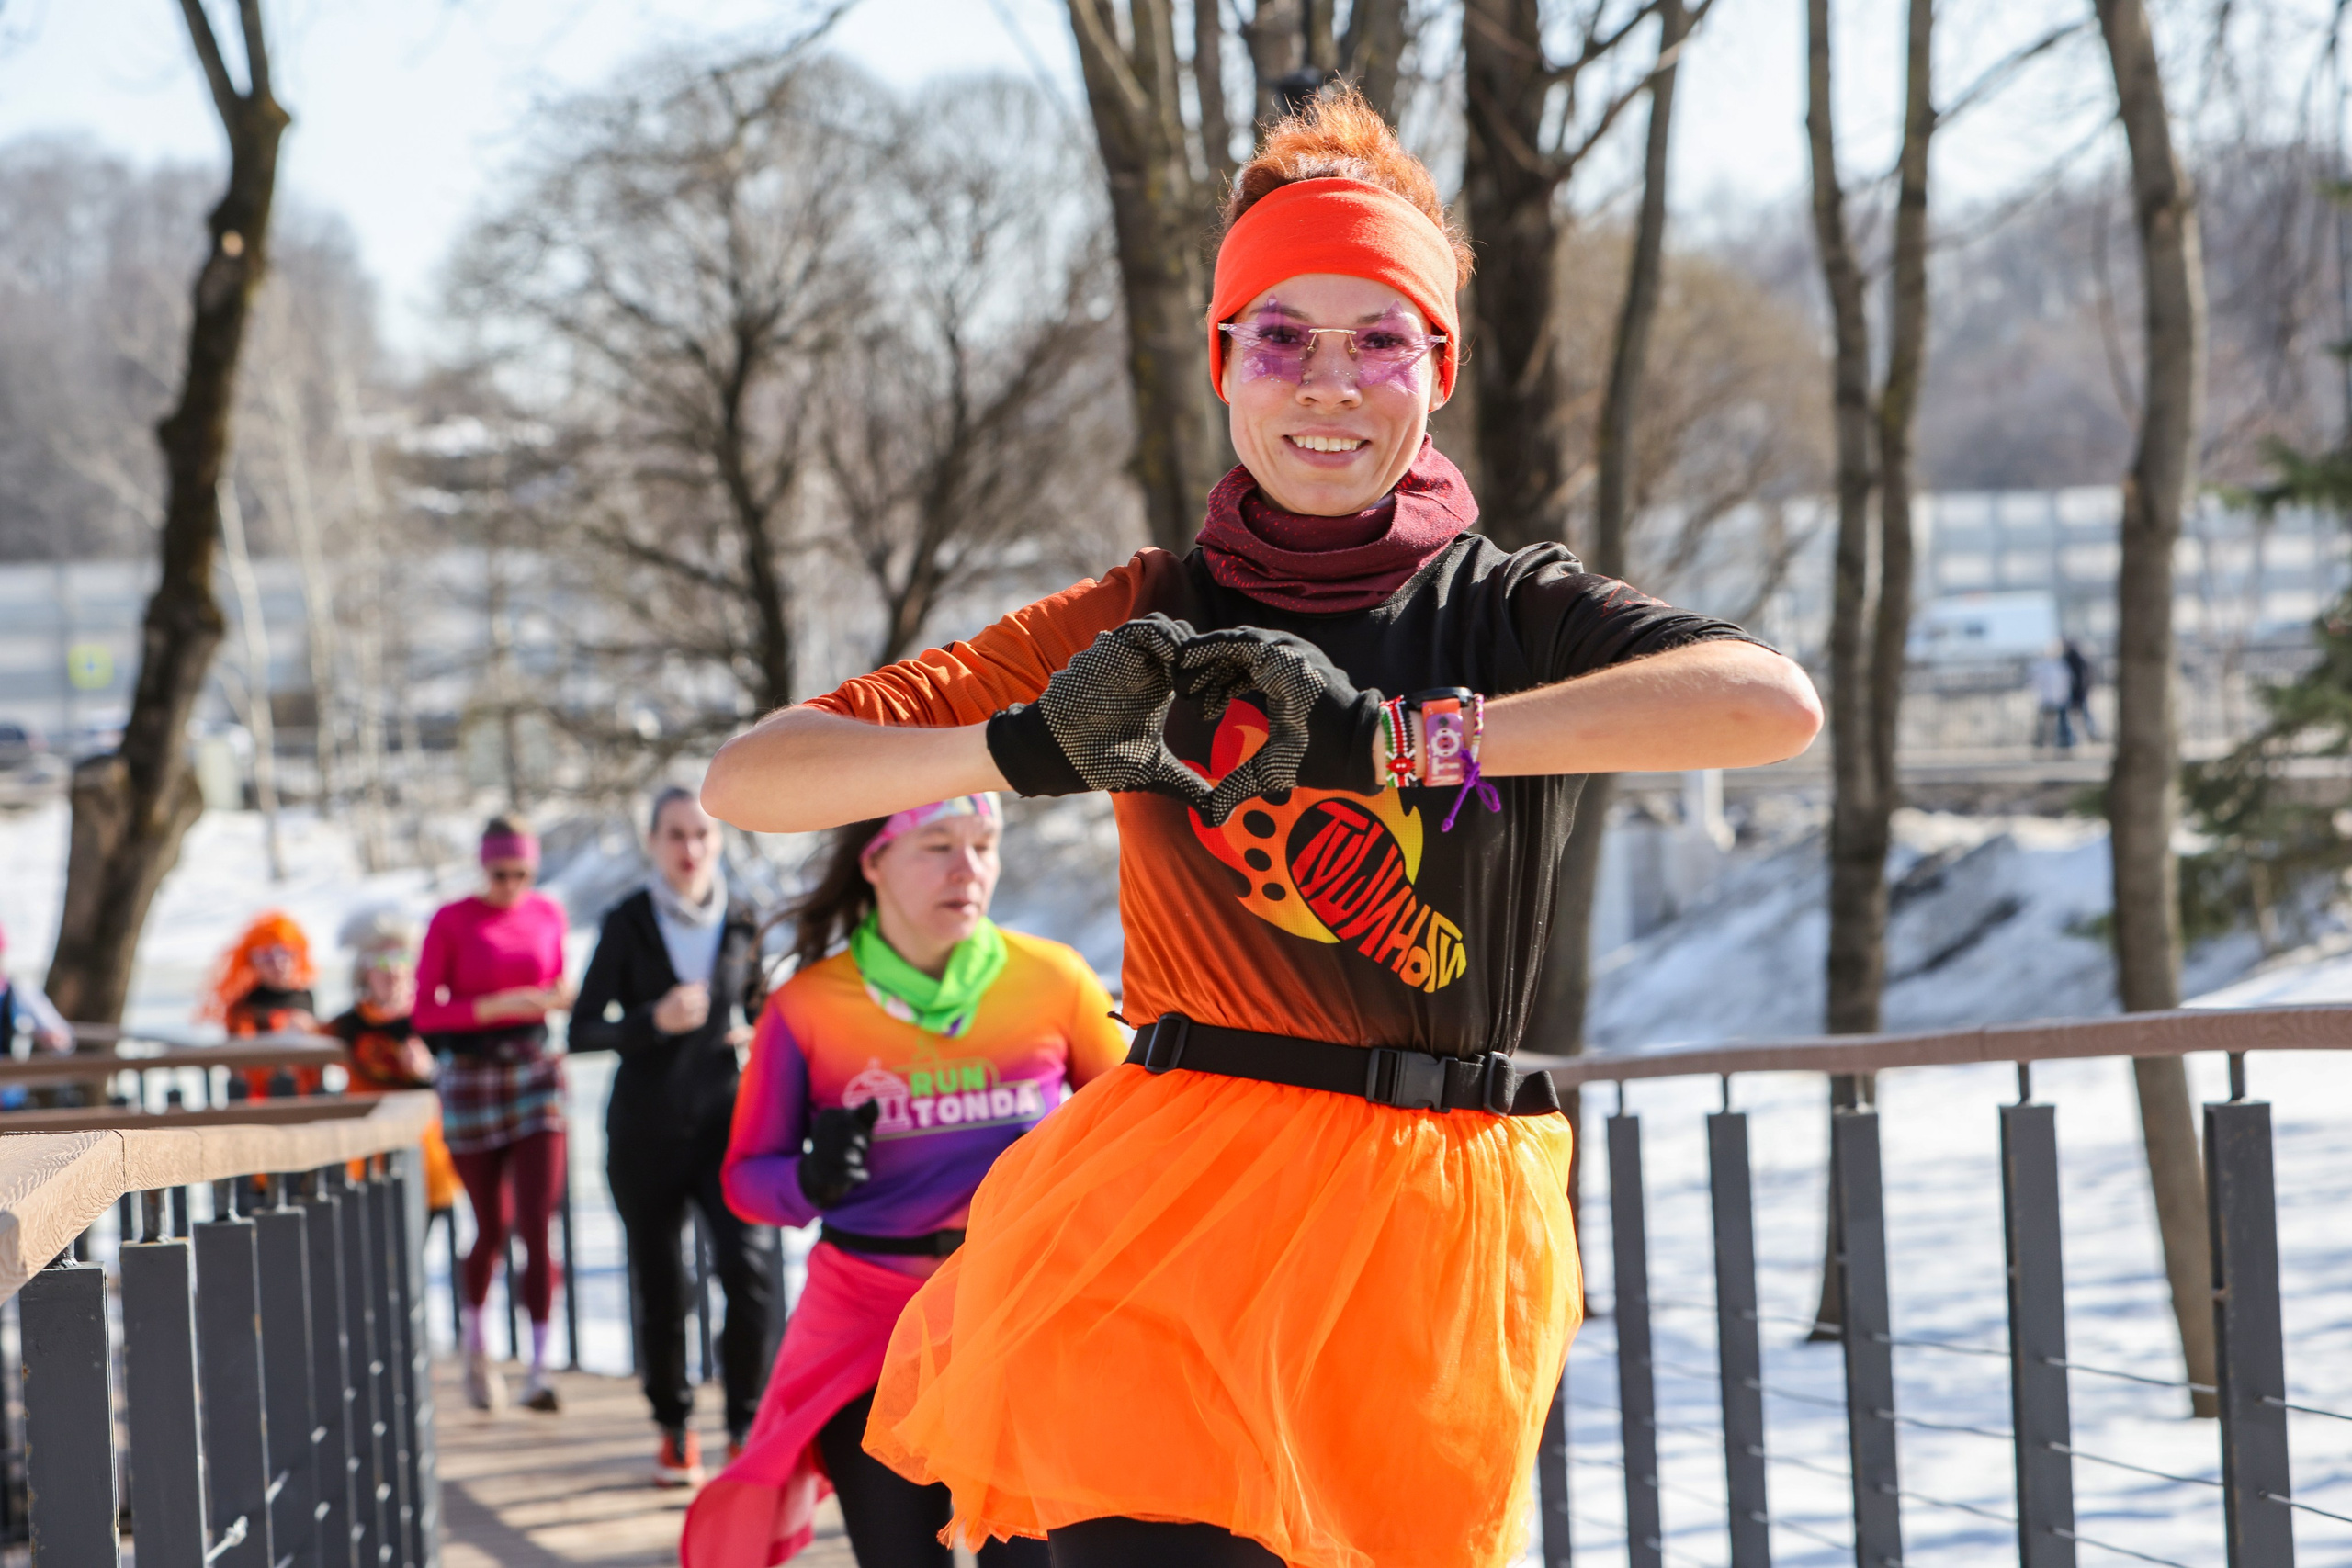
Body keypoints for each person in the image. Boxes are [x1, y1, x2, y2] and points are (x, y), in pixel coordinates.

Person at [698, 90, 1822, 1568]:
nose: (1329, 386)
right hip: (1169, 1207)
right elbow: (753, 777)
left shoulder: (1512, 608)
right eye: (1282, 338)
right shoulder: (1145, 614)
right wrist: (1026, 746)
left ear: (1439, 368)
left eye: (1379, 340)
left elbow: (1767, 702)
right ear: (1225, 359)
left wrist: (1403, 738)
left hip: (1425, 1222)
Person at [681, 794, 1121, 1568]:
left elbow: (1140, 1138)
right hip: (869, 1324)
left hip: (1016, 1315)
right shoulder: (806, 1006)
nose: (969, 868)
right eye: (939, 845)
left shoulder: (1056, 979)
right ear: (874, 860)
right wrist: (808, 1180)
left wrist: (1077, 1168)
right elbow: (746, 1178)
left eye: (985, 843)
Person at [571, 787, 776, 1486]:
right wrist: (651, 1021)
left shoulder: (743, 918)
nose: (691, 849)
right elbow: (581, 1029)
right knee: (663, 1287)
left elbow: (766, 1010)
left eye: (702, 835)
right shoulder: (628, 921)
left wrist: (759, 1033)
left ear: (719, 842)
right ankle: (674, 1426)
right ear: (653, 843)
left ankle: (744, 1426)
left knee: (748, 1273)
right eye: (676, 835)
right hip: (645, 1134)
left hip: (727, 1127)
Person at [414, 813, 575, 1415]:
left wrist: (557, 996)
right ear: (484, 868)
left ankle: (540, 1368)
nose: (511, 885)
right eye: (500, 873)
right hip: (471, 1074)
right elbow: (425, 1012)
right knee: (491, 1224)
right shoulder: (451, 919)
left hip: (534, 1070)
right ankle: (478, 1345)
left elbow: (557, 980)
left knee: (537, 1221)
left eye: (522, 874)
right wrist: (496, 1006)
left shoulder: (549, 913)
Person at [326, 908, 463, 1227]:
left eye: (402, 959)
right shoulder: (347, 1026)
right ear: (364, 971)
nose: (394, 971)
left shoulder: (431, 1021)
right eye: (381, 961)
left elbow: (462, 1077)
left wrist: (429, 1072)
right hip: (366, 1157)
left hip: (425, 1157)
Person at [200, 910, 325, 1098]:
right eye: (267, 956)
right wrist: (281, 1025)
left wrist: (311, 1029)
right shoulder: (244, 1003)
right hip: (262, 1096)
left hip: (305, 1093)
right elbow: (241, 1054)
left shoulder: (305, 995)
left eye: (286, 953)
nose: (278, 963)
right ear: (252, 961)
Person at [2031, 641, 2075, 750]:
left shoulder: (2060, 666)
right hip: (2048, 699)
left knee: (2059, 723)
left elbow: (2066, 682)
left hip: (2057, 699)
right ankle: (2046, 743)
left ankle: (2059, 742)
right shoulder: (2045, 666)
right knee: (2047, 723)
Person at [2063, 637, 2098, 742]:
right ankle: (2087, 736)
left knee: (2078, 717)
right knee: (2084, 716)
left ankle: (2081, 738)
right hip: (2081, 692)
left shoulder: (2070, 659)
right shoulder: (2080, 660)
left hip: (2075, 693)